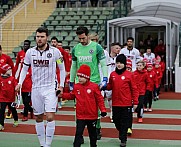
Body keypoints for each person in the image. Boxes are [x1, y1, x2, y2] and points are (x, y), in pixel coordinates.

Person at [15, 27, 66, 147]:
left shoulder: (55, 52)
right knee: (38, 117)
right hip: (36, 88)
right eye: (38, 36)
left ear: (47, 37)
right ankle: (42, 143)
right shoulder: (30, 52)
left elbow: (62, 69)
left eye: (42, 36)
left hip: (50, 88)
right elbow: (24, 68)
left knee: (49, 116)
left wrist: (61, 85)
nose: (39, 39)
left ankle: (47, 144)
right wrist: (20, 82)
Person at [69, 26, 108, 140]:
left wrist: (105, 78)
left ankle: (97, 129)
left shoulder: (97, 47)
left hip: (94, 81)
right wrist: (72, 81)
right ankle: (79, 134)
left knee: (95, 107)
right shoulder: (76, 49)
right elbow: (74, 66)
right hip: (79, 83)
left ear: (87, 35)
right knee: (79, 108)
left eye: (83, 38)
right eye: (79, 38)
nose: (81, 40)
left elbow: (103, 64)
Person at [62, 64, 107, 147]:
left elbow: (99, 99)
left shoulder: (94, 87)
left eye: (82, 77)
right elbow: (71, 96)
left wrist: (103, 110)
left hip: (92, 116)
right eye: (78, 76)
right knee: (78, 133)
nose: (79, 79)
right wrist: (61, 94)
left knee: (92, 135)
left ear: (87, 77)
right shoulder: (77, 87)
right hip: (80, 116)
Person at [104, 54, 138, 147]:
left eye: (121, 63)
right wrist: (103, 86)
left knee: (124, 121)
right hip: (115, 103)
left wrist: (135, 102)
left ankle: (123, 139)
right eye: (117, 63)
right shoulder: (113, 75)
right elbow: (110, 86)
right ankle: (122, 132)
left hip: (126, 103)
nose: (119, 65)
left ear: (125, 64)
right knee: (115, 120)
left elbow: (134, 89)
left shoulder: (129, 75)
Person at [14, 40, 33, 121]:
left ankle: (25, 116)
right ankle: (31, 110)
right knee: (23, 99)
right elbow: (17, 64)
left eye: (27, 45)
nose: (25, 46)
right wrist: (14, 76)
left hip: (29, 83)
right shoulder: (20, 54)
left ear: (29, 45)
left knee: (26, 101)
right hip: (22, 80)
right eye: (24, 44)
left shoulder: (32, 53)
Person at [0, 64, 18, 131]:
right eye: (9, 69)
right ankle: (1, 124)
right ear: (4, 71)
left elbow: (16, 85)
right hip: (2, 98)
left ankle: (16, 120)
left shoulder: (12, 78)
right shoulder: (0, 79)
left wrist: (17, 87)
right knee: (1, 111)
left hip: (11, 99)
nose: (10, 70)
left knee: (13, 110)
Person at [0, 44, 15, 119]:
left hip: (6, 80)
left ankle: (10, 111)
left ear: (1, 50)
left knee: (8, 96)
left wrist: (13, 77)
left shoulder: (6, 57)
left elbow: (12, 67)